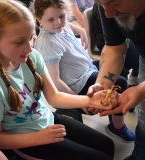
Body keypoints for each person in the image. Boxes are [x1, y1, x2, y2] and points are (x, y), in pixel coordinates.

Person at [0, 0, 115, 160]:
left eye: (32, 37)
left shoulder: (32, 56)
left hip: (46, 120)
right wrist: (38, 138)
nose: (29, 47)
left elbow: (54, 96)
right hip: (27, 140)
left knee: (108, 146)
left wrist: (90, 101)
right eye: (19, 42)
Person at [33, 0, 135, 143]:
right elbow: (55, 82)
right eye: (51, 19)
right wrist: (81, 102)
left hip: (86, 70)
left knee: (119, 73)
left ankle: (118, 114)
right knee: (120, 82)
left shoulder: (60, 26)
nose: (58, 22)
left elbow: (68, 26)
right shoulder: (48, 43)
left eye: (62, 16)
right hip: (76, 85)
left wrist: (82, 32)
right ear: (38, 18)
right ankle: (118, 127)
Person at [86, 1, 145, 160]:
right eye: (101, 4)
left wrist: (141, 90)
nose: (108, 14)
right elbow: (114, 48)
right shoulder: (107, 6)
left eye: (115, 3)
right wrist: (102, 83)